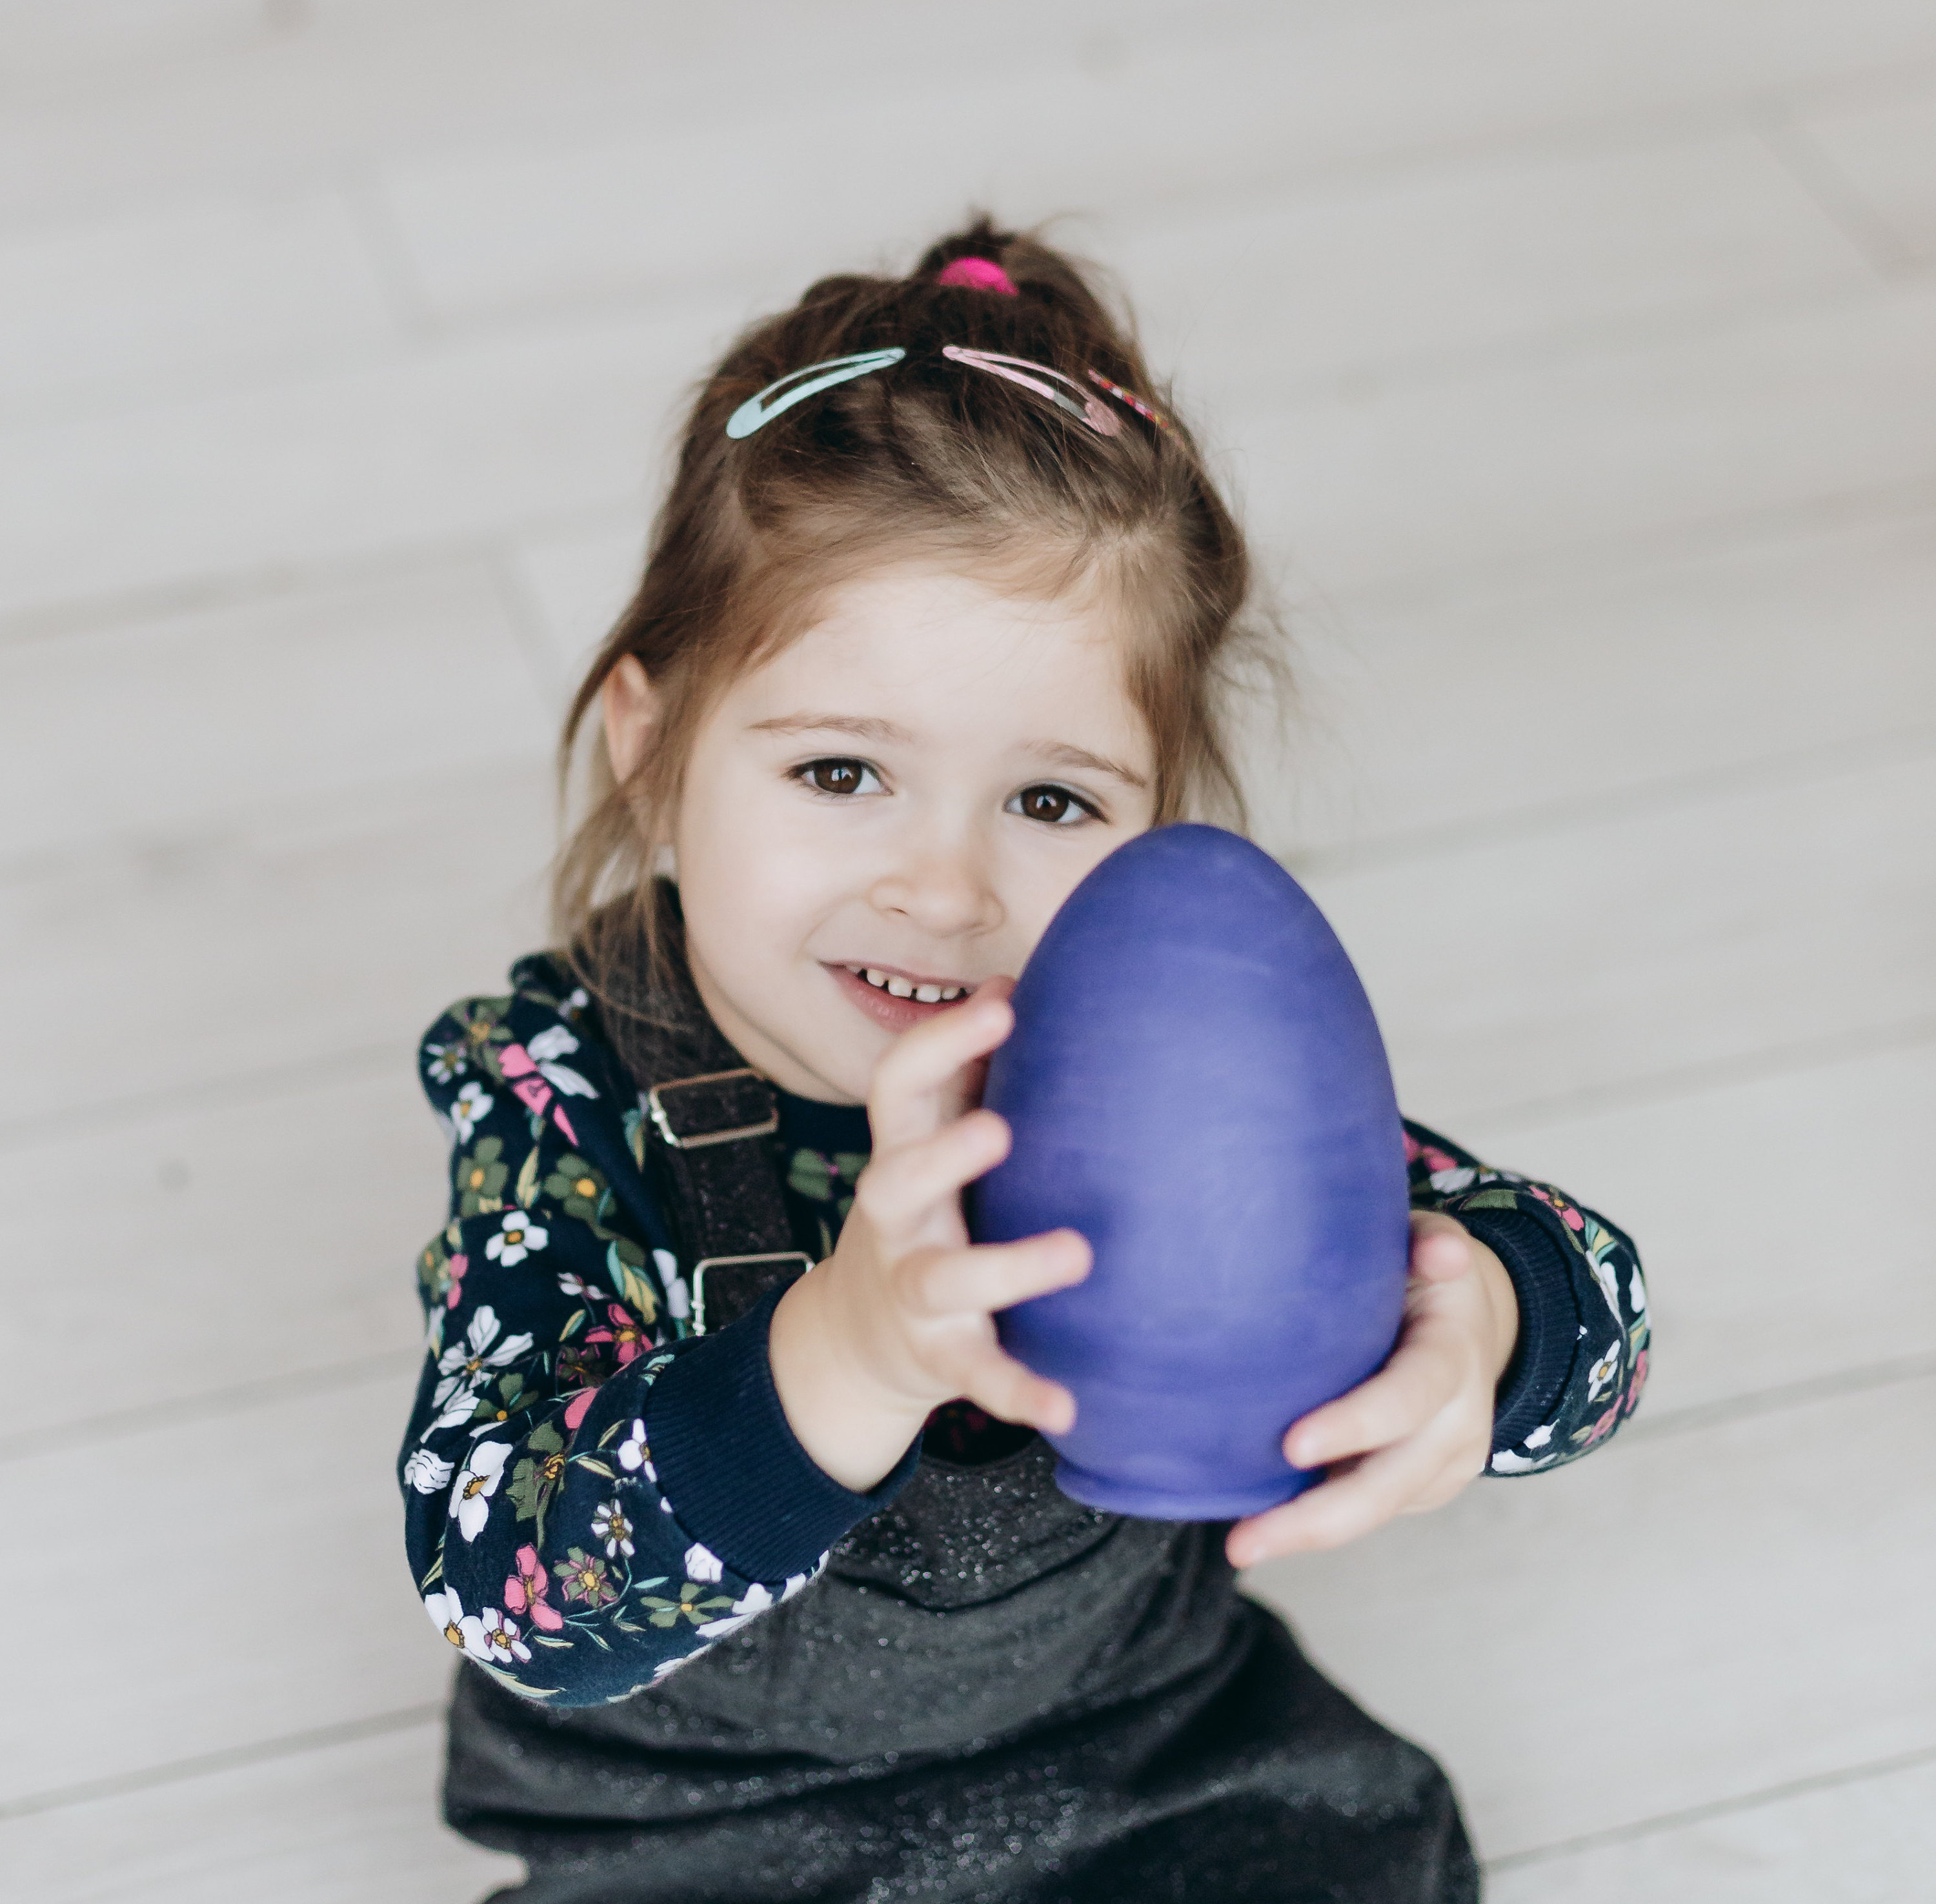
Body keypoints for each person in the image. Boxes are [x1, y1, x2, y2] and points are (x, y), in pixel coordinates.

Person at [398, 221, 1649, 1903]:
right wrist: (838, 1353)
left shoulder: (1158, 1065)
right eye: (842, 773)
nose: (948, 887)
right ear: (650, 751)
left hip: (1146, 1767)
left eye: (1051, 802)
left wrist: (1483, 1323)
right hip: (700, 1834)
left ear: (1163, 833)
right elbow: (506, 1590)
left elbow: (1602, 1328)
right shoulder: (562, 1096)